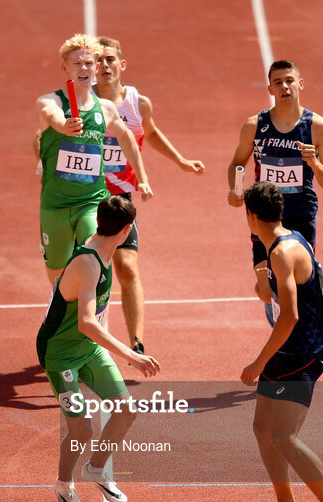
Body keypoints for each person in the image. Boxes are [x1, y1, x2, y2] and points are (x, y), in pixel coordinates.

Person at [238, 182, 323, 502]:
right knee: (262, 429)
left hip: (301, 353)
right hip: (286, 351)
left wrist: (258, 362)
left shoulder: (282, 252)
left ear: (251, 216)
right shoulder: (288, 240)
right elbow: (271, 294)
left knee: (285, 436)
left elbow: (289, 316)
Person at [37, 195, 160, 502]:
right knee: (81, 427)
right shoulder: (88, 263)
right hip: (60, 354)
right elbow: (87, 322)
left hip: (88, 349)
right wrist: (130, 354)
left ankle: (96, 468)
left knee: (126, 409)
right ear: (127, 230)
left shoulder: (104, 246)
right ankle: (64, 484)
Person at [92, 36, 205, 355]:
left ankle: (136, 343)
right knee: (90, 268)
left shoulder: (137, 103)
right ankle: (84, 333)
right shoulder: (83, 103)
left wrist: (180, 160)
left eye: (110, 59)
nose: (104, 66)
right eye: (98, 60)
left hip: (121, 198)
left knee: (127, 267)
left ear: (121, 65)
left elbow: (150, 133)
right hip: (87, 198)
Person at [226, 59, 323, 325]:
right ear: (270, 88)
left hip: (300, 212)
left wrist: (314, 163)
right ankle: (275, 299)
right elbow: (236, 163)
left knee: (296, 287)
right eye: (278, 82)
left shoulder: (318, 127)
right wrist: (235, 189)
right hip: (263, 214)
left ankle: (293, 329)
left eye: (289, 80)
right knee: (267, 291)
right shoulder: (255, 125)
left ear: (300, 83)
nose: (285, 86)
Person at [36, 33, 152, 287]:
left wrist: (142, 179)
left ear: (96, 68)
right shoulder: (51, 100)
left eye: (89, 63)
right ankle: (63, 315)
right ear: (65, 66)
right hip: (55, 204)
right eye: (77, 63)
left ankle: (98, 318)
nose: (84, 68)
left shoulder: (106, 109)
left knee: (95, 261)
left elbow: (128, 139)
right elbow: (51, 113)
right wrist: (64, 125)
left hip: (91, 201)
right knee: (58, 278)